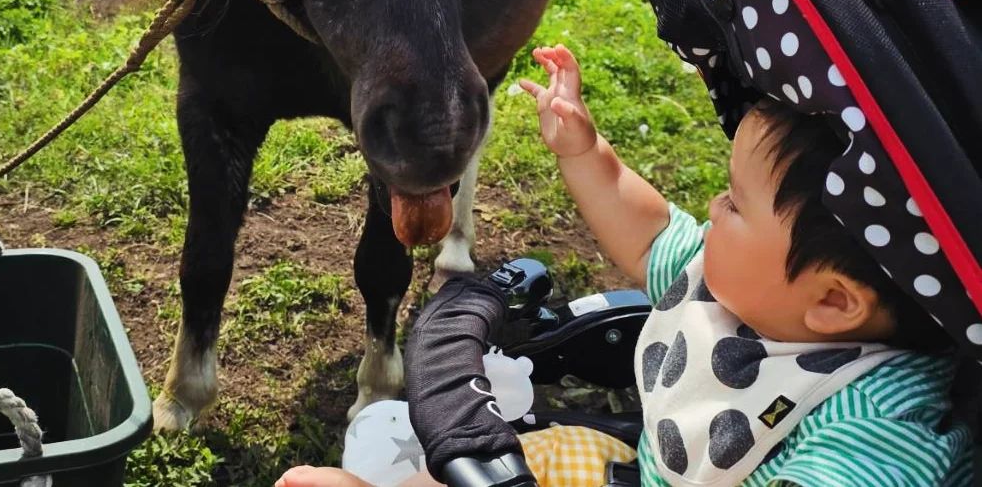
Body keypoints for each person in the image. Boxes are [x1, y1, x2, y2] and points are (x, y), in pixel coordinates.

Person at [276, 44, 972, 487]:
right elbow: (649, 232)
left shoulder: (877, 426)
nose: (711, 207)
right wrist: (585, 152)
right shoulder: (733, 287)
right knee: (524, 457)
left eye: (734, 204)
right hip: (639, 471)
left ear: (833, 302)